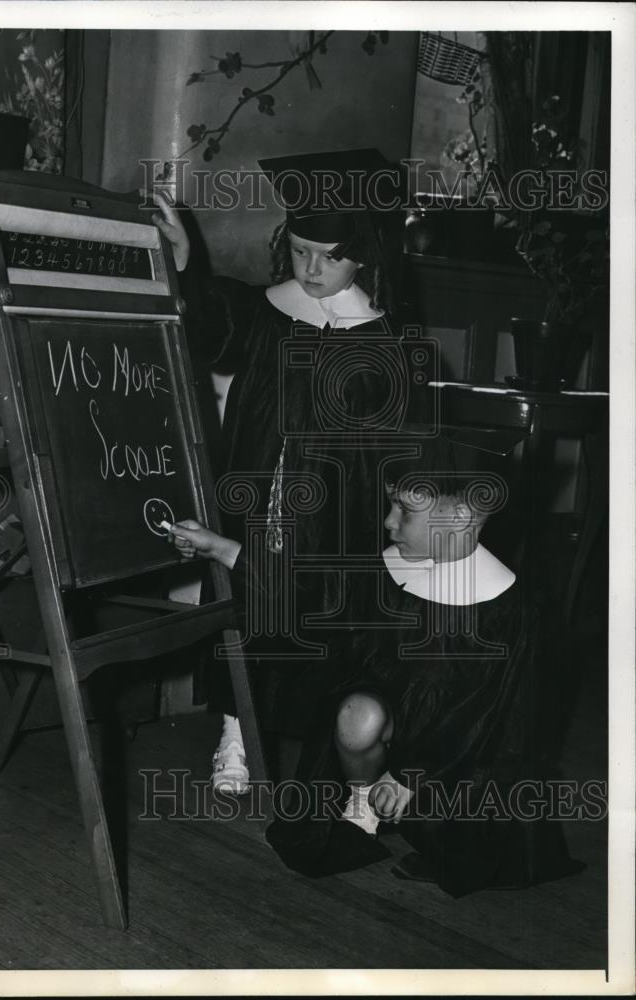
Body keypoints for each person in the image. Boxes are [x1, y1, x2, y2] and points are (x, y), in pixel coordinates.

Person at [149, 148, 423, 793]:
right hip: (254, 494)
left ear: (365, 256)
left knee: (316, 619)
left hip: (332, 513)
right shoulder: (266, 311)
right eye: (300, 251)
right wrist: (187, 264)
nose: (312, 268)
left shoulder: (382, 337)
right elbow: (210, 328)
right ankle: (234, 734)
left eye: (330, 256)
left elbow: (393, 441)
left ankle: (330, 744)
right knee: (245, 607)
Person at [263, 430, 584, 894]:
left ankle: (432, 830)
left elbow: (489, 722)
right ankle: (365, 805)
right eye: (391, 506)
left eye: (405, 511)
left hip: (464, 759)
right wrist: (225, 550)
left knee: (466, 821)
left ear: (459, 517)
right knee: (356, 714)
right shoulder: (391, 570)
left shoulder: (510, 614)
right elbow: (309, 597)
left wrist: (413, 773)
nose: (389, 523)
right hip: (401, 729)